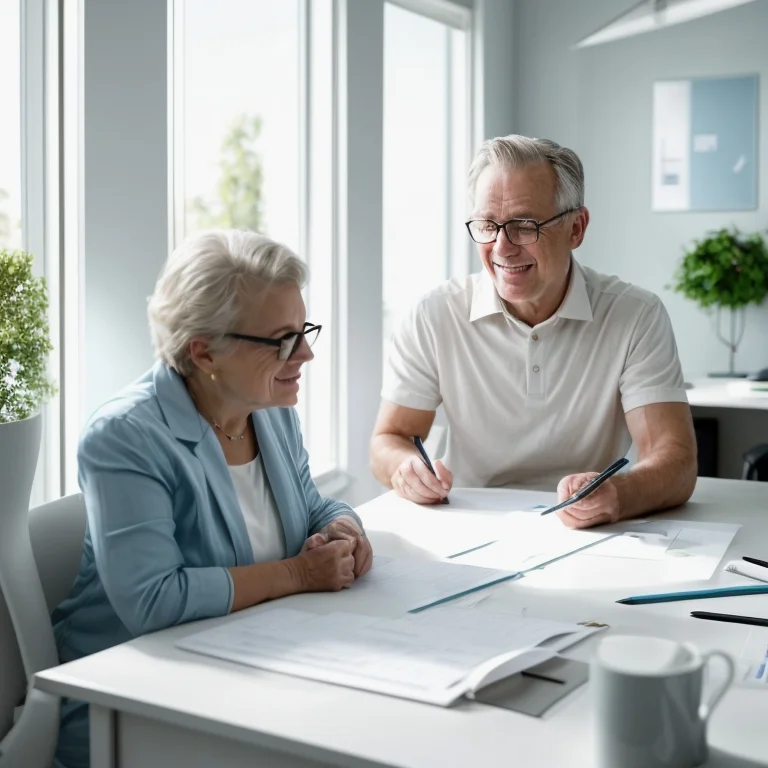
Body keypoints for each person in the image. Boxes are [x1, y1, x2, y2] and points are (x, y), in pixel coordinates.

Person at [51, 229, 372, 768]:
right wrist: (297, 574)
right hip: (135, 708)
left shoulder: (268, 407)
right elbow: (153, 599)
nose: (307, 353)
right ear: (204, 352)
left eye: (305, 330)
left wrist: (344, 528)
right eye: (283, 339)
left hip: (260, 673)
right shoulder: (124, 436)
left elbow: (312, 505)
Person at [370, 134, 697, 530]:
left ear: (576, 228)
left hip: (595, 533)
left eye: (524, 226)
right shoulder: (434, 314)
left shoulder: (635, 316)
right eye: (488, 225)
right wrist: (405, 469)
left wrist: (617, 495)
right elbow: (389, 439)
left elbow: (675, 459)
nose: (502, 248)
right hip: (468, 528)